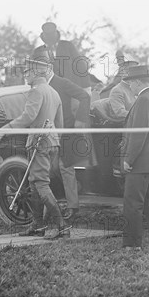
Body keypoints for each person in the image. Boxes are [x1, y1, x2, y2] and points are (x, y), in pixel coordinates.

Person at [0, 58, 70, 240]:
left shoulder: (35, 92)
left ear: (35, 73)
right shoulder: (54, 93)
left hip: (38, 143)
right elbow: (60, 124)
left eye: (26, 72)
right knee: (34, 184)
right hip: (52, 142)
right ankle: (38, 225)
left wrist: (4, 130)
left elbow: (28, 116)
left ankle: (62, 226)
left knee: (40, 184)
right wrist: (53, 139)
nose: (25, 75)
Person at [30, 47, 91, 220]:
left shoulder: (62, 82)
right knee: (46, 170)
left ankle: (73, 206)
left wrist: (80, 120)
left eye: (40, 66)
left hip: (64, 131)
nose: (36, 70)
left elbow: (84, 96)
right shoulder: (36, 85)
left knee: (65, 167)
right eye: (35, 67)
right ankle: (48, 209)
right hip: (45, 133)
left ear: (49, 67)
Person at [120, 65, 149, 250]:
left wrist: (128, 159)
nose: (130, 87)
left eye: (130, 83)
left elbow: (139, 134)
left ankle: (132, 244)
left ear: (138, 82)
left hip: (140, 163)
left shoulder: (143, 101)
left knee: (133, 203)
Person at [35, 22, 91, 96]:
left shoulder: (67, 46)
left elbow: (80, 65)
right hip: (51, 93)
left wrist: (86, 87)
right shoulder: (38, 52)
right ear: (44, 37)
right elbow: (34, 72)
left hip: (73, 89)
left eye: (51, 35)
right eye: (48, 35)